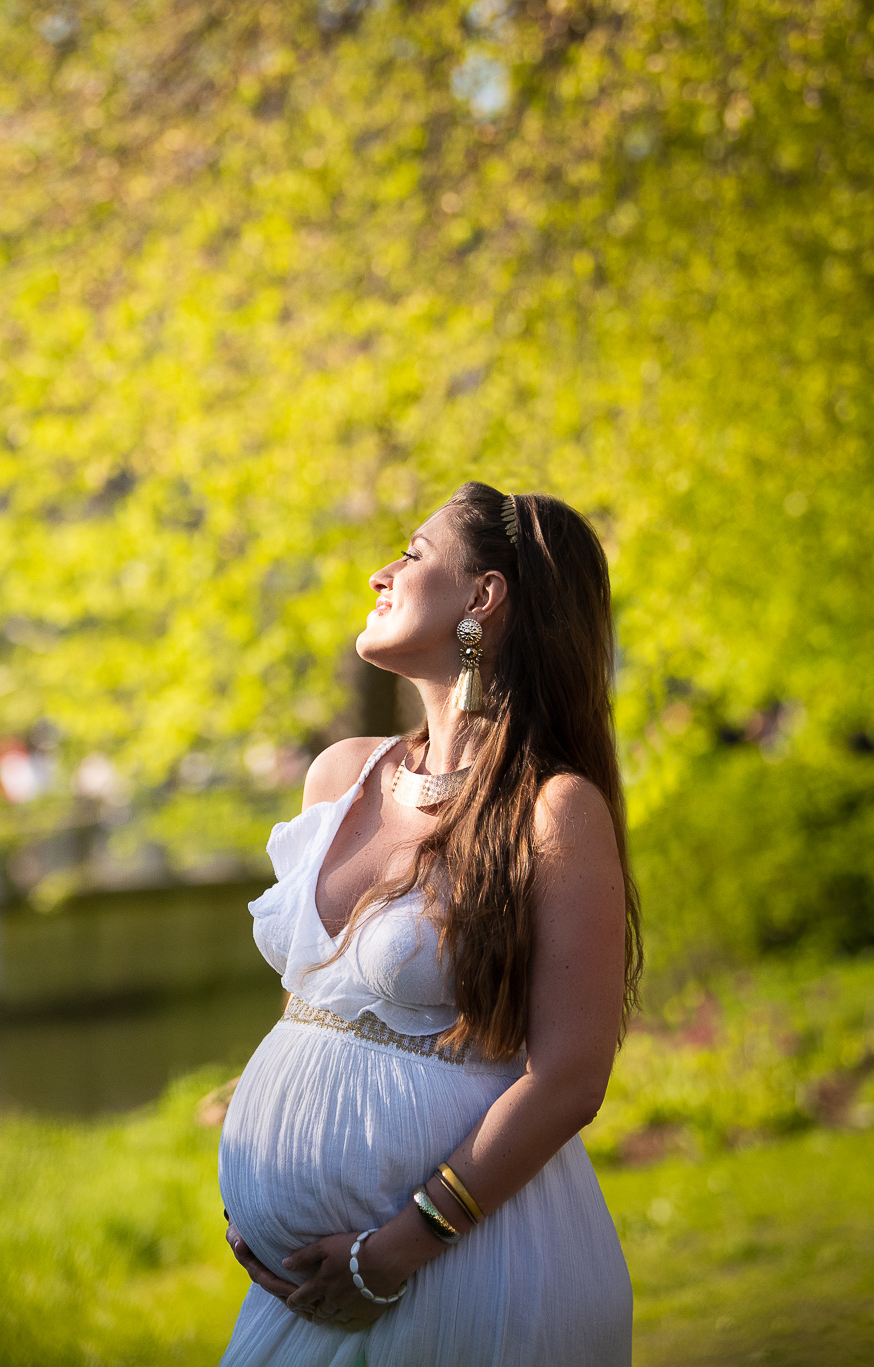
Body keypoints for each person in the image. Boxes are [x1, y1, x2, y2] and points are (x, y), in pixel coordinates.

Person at [218, 483, 640, 1366]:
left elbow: (571, 1077)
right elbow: (318, 1008)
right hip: (305, 1286)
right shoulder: (341, 774)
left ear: (483, 597)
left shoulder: (553, 811)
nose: (379, 573)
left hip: (465, 1279)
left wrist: (396, 1250)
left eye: (411, 554)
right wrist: (262, 1178)